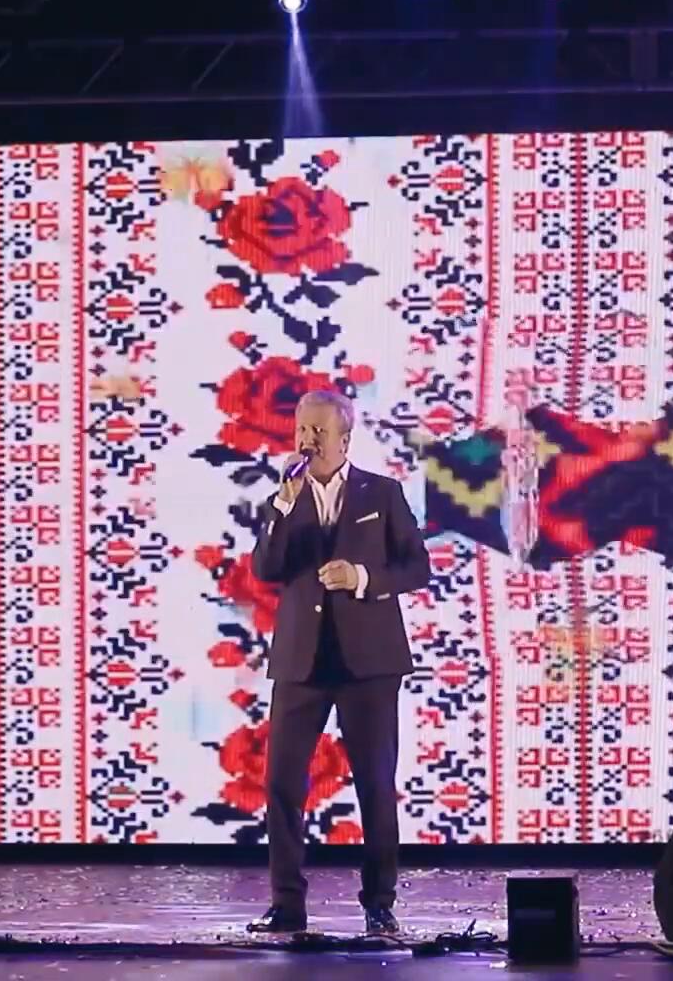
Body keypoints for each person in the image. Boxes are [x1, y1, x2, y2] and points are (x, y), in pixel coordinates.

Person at [244, 388, 431, 936]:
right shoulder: (284, 499)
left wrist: (362, 578)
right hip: (300, 663)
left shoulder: (383, 493)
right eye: (302, 430)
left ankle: (380, 902)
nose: (308, 441)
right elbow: (266, 569)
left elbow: (417, 568)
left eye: (319, 432)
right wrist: (282, 508)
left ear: (345, 439)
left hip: (369, 664)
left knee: (375, 783)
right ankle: (287, 904)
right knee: (282, 783)